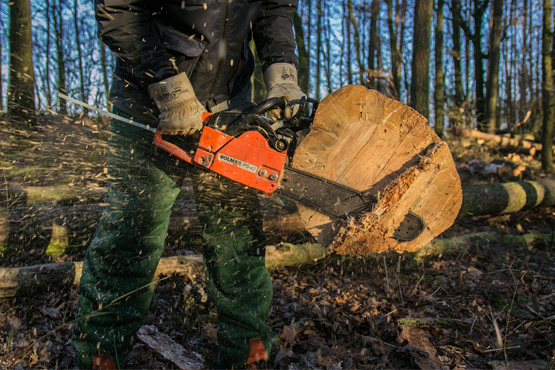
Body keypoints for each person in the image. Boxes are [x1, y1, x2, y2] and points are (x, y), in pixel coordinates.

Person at [72, 1, 305, 369]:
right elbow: (119, 8)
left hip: (231, 104)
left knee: (238, 241)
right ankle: (100, 355)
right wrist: (164, 82)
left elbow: (275, 7)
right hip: (148, 101)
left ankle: (247, 353)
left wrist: (282, 71)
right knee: (131, 234)